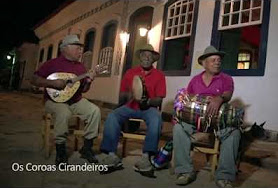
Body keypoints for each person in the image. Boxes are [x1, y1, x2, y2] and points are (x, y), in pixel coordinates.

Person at [173, 46, 240, 188]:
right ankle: (185, 171)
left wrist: (219, 98)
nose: (217, 62)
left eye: (219, 60)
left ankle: (224, 177)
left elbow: (228, 94)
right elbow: (187, 99)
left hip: (217, 121)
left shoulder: (226, 79)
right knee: (178, 128)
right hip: (195, 121)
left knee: (234, 133)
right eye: (213, 60)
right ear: (204, 63)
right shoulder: (195, 80)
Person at [31, 34, 101, 165]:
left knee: (94, 111)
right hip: (53, 101)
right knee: (63, 113)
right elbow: (34, 79)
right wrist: (52, 83)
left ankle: (87, 148)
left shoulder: (80, 67)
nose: (81, 51)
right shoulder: (51, 64)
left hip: (75, 100)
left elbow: (83, 90)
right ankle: (61, 150)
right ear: (65, 48)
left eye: (81, 48)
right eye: (77, 48)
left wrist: (89, 80)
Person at [100, 44, 166, 172]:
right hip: (130, 107)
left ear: (153, 59)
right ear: (140, 57)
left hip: (148, 108)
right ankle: (111, 155)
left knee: (156, 118)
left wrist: (148, 101)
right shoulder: (130, 72)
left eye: (149, 55)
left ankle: (146, 156)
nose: (146, 58)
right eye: (143, 55)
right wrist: (131, 94)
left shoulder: (159, 75)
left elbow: (159, 99)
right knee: (112, 115)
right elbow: (122, 94)